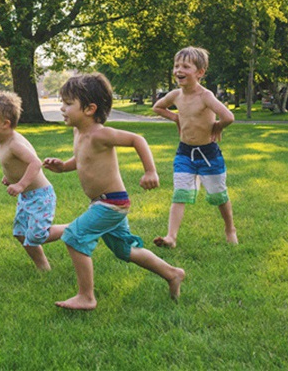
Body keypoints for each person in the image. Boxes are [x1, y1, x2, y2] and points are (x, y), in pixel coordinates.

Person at [42, 73, 185, 310]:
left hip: (111, 204)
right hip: (103, 202)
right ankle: (172, 273)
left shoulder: (101, 133)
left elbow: (137, 139)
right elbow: (83, 159)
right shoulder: (79, 132)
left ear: (89, 109)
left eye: (68, 103)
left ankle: (86, 296)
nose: (62, 108)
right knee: (124, 250)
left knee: (74, 237)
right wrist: (63, 166)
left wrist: (150, 171)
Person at [151, 46, 238, 248]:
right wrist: (175, 117)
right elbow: (157, 107)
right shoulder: (176, 95)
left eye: (185, 66)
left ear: (199, 73)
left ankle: (230, 229)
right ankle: (171, 237)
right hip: (185, 153)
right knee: (180, 193)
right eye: (176, 66)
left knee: (218, 195)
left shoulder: (205, 96)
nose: (178, 70)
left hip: (209, 154)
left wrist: (218, 126)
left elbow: (229, 117)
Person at [0, 92, 66, 271]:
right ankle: (43, 266)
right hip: (28, 196)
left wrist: (20, 184)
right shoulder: (4, 140)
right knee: (20, 233)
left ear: (5, 124)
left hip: (40, 195)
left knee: (37, 235)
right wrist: (11, 177)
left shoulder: (14, 143)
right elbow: (16, 164)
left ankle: (73, 228)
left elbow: (35, 163)